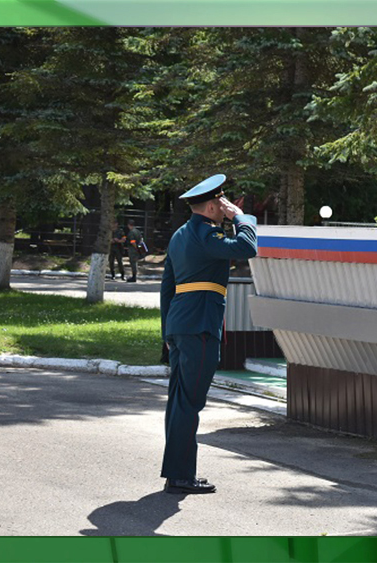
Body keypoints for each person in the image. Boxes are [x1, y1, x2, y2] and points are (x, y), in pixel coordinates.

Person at [160, 173, 258, 495]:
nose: (225, 206)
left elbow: (167, 287)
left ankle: (177, 472)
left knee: (179, 402)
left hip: (180, 325)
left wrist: (167, 330)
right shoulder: (205, 234)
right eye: (222, 202)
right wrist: (241, 217)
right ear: (214, 205)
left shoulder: (180, 235)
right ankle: (181, 477)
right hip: (200, 325)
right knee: (188, 404)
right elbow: (247, 246)